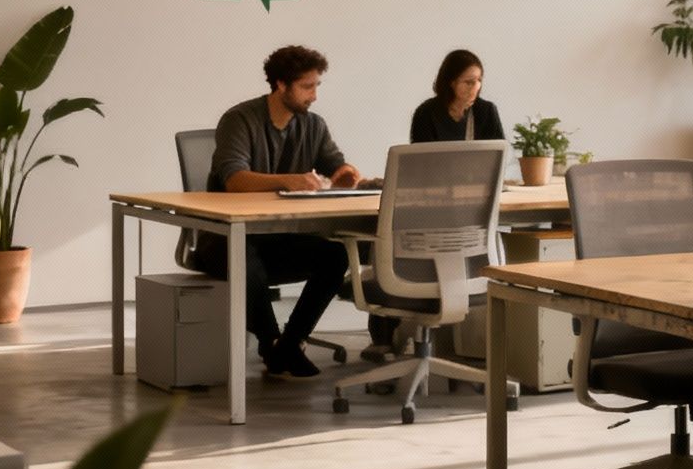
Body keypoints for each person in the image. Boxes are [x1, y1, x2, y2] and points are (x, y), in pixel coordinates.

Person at [201, 45, 361, 379]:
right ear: (280, 85)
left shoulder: (313, 125)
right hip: (223, 241)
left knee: (336, 255)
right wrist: (292, 181)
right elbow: (234, 180)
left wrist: (348, 174)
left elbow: (335, 164)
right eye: (307, 87)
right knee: (244, 257)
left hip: (278, 239)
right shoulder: (239, 119)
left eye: (317, 86)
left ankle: (290, 342)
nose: (314, 96)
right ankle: (271, 341)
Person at [362, 50, 506, 363]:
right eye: (468, 81)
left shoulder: (486, 113)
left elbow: (495, 162)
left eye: (479, 81)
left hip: (467, 207)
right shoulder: (428, 112)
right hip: (431, 201)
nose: (474, 88)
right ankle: (383, 334)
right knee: (399, 239)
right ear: (450, 82)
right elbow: (423, 166)